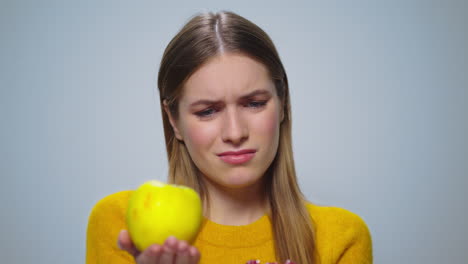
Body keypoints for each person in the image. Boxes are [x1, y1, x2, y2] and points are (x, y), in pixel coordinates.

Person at [86, 11, 372, 264]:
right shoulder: (122, 225)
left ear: (282, 104)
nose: (235, 133)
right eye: (208, 111)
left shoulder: (341, 236)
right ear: (174, 120)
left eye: (254, 103)